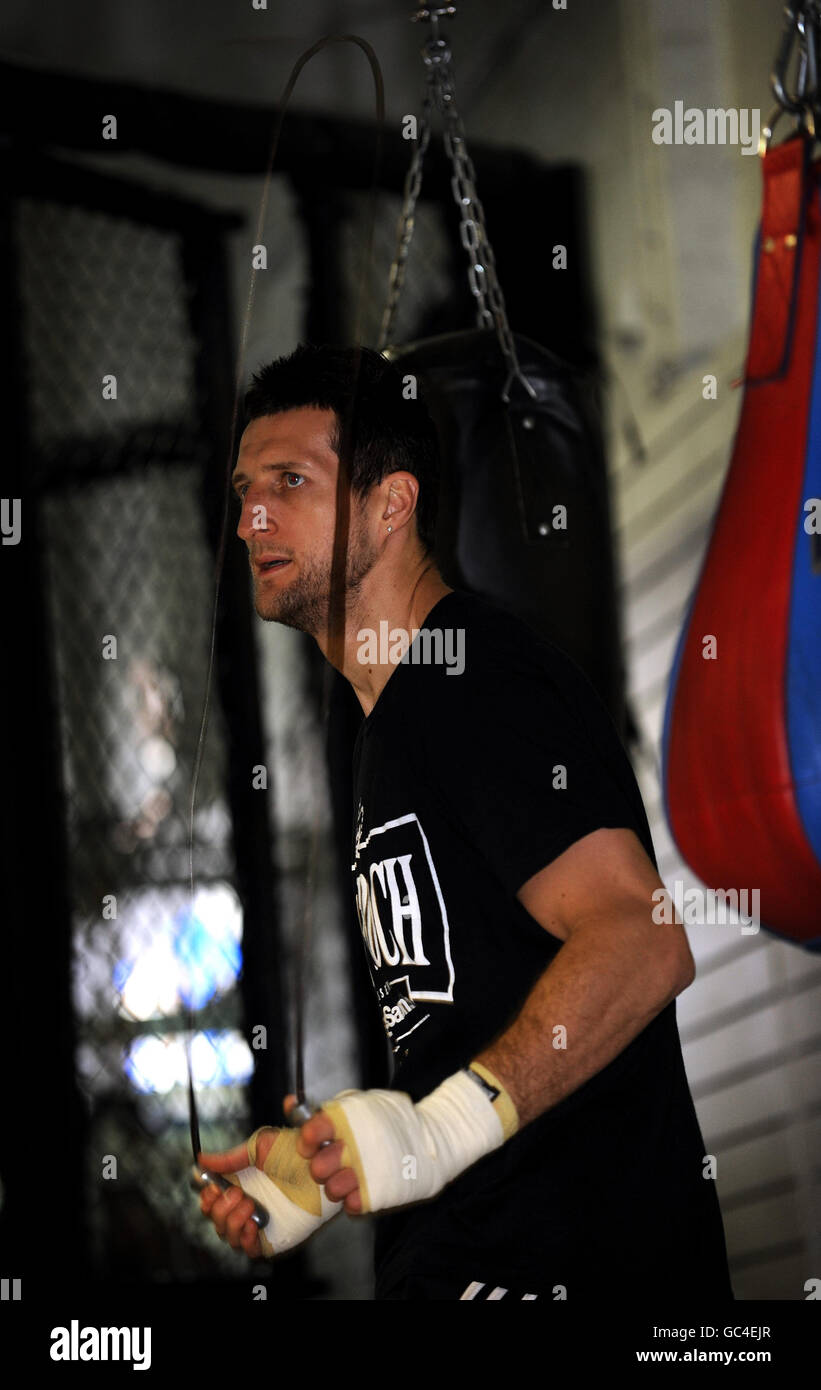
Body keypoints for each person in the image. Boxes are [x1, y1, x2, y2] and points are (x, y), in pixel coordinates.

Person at [197, 343, 734, 1302]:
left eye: (289, 482)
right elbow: (471, 1027)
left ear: (390, 503)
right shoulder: (390, 727)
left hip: (568, 1263)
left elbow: (642, 942)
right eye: (245, 491)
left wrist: (443, 1130)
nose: (252, 519)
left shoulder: (470, 679)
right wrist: (328, 1166)